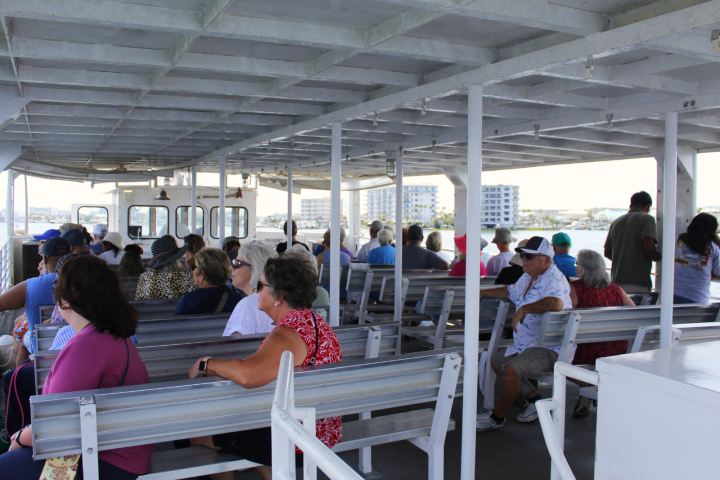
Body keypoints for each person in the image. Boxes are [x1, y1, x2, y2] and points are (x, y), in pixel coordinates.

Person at [188, 254, 342, 480]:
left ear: (278, 296)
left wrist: (206, 363)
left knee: (198, 433)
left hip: (296, 437)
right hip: (322, 430)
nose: (256, 289)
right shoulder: (315, 323)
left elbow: (248, 375)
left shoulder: (287, 334)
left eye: (260, 285)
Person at [0, 255, 153, 479]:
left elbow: (56, 422)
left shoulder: (86, 345)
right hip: (124, 451)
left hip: (102, 460)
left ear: (66, 300)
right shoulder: (116, 334)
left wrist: (20, 437)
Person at [476, 236, 572, 431]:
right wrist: (483, 292)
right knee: (495, 361)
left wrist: (525, 309)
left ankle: (497, 418)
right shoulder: (528, 276)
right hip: (526, 343)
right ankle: (536, 402)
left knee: (512, 369)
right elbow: (510, 292)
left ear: (545, 260)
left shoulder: (553, 279)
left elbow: (556, 303)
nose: (524, 259)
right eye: (522, 255)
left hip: (549, 346)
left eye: (529, 256)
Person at [569, 249, 635, 418]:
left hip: (584, 350)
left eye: (577, 264)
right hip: (615, 349)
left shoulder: (575, 288)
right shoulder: (615, 289)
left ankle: (587, 388)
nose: (576, 267)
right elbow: (633, 311)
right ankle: (589, 392)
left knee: (557, 359)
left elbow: (565, 313)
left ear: (583, 269)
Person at [604, 191, 661, 293]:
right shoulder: (647, 219)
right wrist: (659, 257)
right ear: (648, 207)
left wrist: (624, 259)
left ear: (631, 205)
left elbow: (607, 252)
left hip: (616, 283)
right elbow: (649, 247)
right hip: (638, 283)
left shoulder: (616, 222)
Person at [223, 242, 278, 336]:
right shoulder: (278, 300)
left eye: (237, 263)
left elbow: (237, 348)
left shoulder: (247, 305)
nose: (231, 267)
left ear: (255, 268)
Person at [174, 248, 245, 315]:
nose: (192, 270)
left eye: (194, 267)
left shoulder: (188, 300)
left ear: (202, 274)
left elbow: (175, 325)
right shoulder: (235, 298)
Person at [673, 213, 720, 304]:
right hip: (698, 297)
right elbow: (718, 273)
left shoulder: (679, 240)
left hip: (674, 294)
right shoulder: (713, 247)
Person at [135, 235, 196, 300]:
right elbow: (193, 300)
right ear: (176, 259)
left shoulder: (144, 278)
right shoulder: (187, 275)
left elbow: (139, 300)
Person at [317, 229, 351, 299]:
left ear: (325, 242)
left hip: (326, 294)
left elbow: (318, 278)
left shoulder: (321, 257)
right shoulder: (347, 257)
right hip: (342, 293)